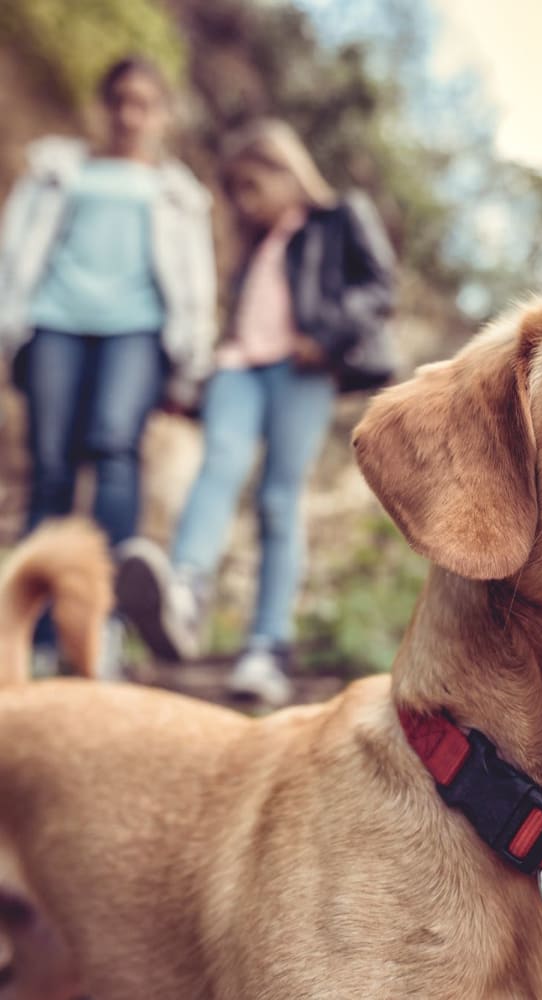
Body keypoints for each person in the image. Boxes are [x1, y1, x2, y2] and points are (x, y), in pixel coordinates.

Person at [116, 118, 395, 707]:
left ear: (285, 170)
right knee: (218, 465)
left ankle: (267, 646)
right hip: (240, 368)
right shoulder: (255, 249)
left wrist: (327, 337)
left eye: (251, 186)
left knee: (278, 499)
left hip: (302, 369)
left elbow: (378, 287)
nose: (244, 203)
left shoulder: (339, 217)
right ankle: (185, 595)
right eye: (236, 191)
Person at [0, 56, 217, 678]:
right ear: (104, 104)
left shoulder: (178, 194)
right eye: (120, 100)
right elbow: (17, 254)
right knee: (49, 470)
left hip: (138, 332)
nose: (129, 114)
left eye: (144, 103)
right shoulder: (56, 171)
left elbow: (196, 285)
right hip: (53, 324)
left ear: (163, 115)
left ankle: (105, 629)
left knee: (116, 453)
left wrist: (190, 364)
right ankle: (37, 637)